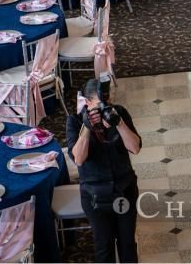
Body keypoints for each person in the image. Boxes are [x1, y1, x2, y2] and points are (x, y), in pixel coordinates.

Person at [66, 78, 142, 263]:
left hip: (124, 190)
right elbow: (79, 158)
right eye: (100, 104)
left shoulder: (119, 113)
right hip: (95, 197)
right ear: (87, 102)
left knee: (127, 244)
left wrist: (119, 123)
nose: (105, 107)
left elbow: (135, 147)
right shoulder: (75, 121)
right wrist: (87, 128)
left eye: (107, 102)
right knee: (103, 246)